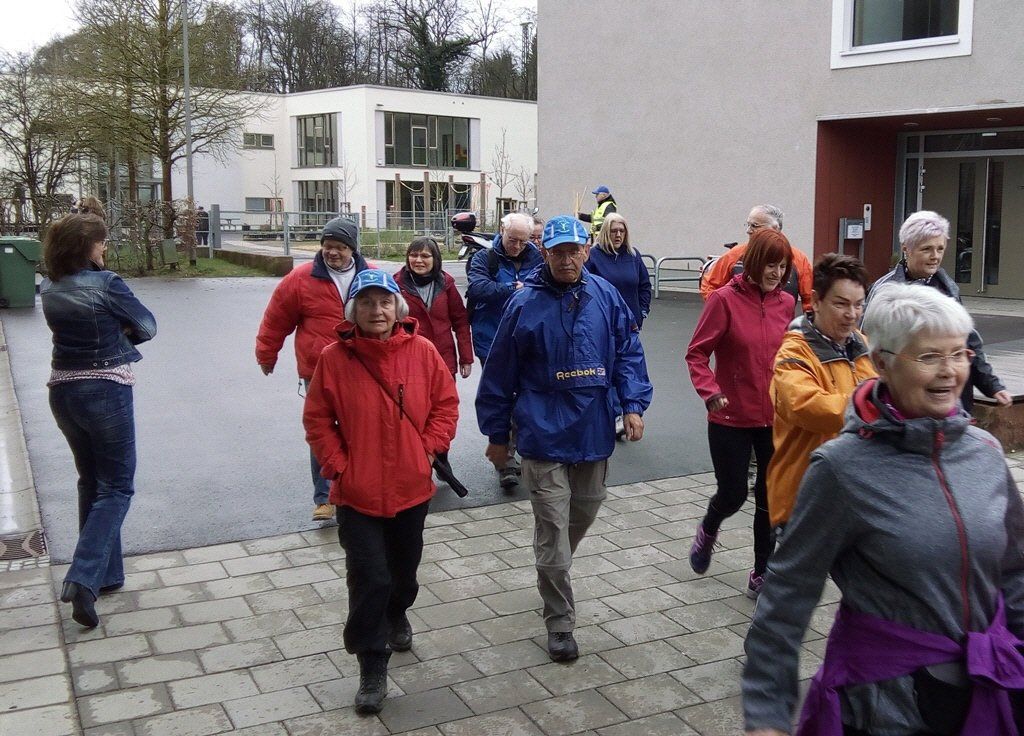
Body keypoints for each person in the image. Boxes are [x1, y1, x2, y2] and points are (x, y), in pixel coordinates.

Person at [743, 282, 1024, 736]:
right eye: (929, 356)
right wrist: (767, 713)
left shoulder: (986, 452)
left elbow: (1015, 572)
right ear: (882, 363)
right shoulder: (842, 468)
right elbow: (788, 593)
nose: (950, 371)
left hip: (989, 686)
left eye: (959, 354)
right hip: (891, 702)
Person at [476, 215, 653, 662]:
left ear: (586, 251)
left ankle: (551, 563)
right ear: (545, 253)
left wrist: (632, 404)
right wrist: (498, 436)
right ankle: (559, 621)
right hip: (541, 432)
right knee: (553, 529)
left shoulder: (606, 296)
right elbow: (499, 374)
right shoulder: (523, 304)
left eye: (574, 251)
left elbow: (628, 352)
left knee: (585, 510)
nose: (567, 259)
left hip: (593, 428)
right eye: (558, 252)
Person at [303, 270, 459, 715]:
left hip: (411, 488)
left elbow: (446, 405)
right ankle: (371, 662)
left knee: (403, 575)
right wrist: (340, 466)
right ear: (353, 310)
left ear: (397, 308)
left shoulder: (422, 351)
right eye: (367, 303)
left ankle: (397, 611)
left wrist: (427, 449)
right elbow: (317, 419)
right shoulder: (334, 358)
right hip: (358, 494)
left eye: (385, 302)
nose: (377, 310)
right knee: (369, 577)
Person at [40, 214, 157, 629]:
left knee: (90, 482)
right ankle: (84, 578)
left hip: (62, 392)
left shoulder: (49, 286)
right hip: (105, 389)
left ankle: (106, 575)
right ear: (86, 246)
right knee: (117, 487)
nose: (104, 248)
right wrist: (119, 335)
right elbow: (148, 325)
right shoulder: (106, 284)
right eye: (101, 242)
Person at [685, 229, 795, 598]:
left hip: (774, 418)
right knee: (733, 494)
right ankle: (709, 526)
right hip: (729, 416)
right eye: (770, 265)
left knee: (769, 499)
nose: (776, 273)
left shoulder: (786, 303)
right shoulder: (724, 300)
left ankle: (762, 572)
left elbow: (790, 356)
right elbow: (697, 354)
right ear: (754, 263)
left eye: (782, 266)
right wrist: (711, 392)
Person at [256, 216, 372, 521]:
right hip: (318, 369)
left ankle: (357, 487)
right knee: (322, 430)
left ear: (352, 249)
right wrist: (266, 355)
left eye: (339, 247)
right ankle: (324, 498)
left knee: (360, 428)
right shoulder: (300, 278)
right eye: (327, 246)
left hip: (363, 367)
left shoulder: (370, 275)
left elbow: (391, 314)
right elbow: (276, 319)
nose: (332, 252)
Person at [766, 253, 876, 529]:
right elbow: (807, 407)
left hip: (855, 494)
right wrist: (876, 404)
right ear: (815, 301)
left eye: (859, 305)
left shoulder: (863, 345)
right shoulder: (794, 353)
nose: (852, 314)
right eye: (841, 304)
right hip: (803, 499)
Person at [866, 210, 1011, 414]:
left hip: (950, 403)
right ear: (906, 248)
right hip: (904, 405)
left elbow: (968, 341)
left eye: (940, 249)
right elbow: (867, 347)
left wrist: (992, 385)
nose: (935, 256)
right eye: (927, 249)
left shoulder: (948, 288)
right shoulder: (885, 292)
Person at [466, 211, 543, 489]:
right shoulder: (483, 258)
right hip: (491, 339)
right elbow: (479, 288)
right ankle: (506, 460)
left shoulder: (537, 258)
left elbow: (541, 289)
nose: (518, 246)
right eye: (513, 240)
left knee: (526, 395)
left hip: (525, 340)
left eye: (524, 241)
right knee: (499, 398)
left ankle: (521, 448)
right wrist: (514, 287)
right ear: (502, 230)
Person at [586, 213, 653, 438]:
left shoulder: (633, 256)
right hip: (602, 325)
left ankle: (623, 413)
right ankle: (611, 413)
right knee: (606, 368)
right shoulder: (594, 257)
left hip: (630, 324)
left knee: (627, 367)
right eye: (614, 231)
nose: (618, 235)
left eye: (622, 231)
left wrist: (642, 311)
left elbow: (644, 285)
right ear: (606, 231)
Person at [699, 204, 813, 313]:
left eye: (754, 226)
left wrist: (810, 323)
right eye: (748, 225)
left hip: (780, 324)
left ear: (775, 228)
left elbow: (811, 300)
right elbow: (710, 285)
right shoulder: (735, 254)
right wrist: (723, 311)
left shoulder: (798, 259)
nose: (748, 230)